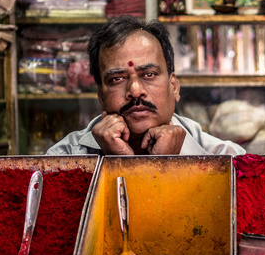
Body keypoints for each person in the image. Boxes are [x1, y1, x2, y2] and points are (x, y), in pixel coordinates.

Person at [47, 16, 246, 156]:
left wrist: (169, 166)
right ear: (101, 96)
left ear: (174, 87)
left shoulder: (226, 160)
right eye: (117, 79)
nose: (135, 91)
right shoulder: (64, 161)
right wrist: (117, 165)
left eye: (149, 75)